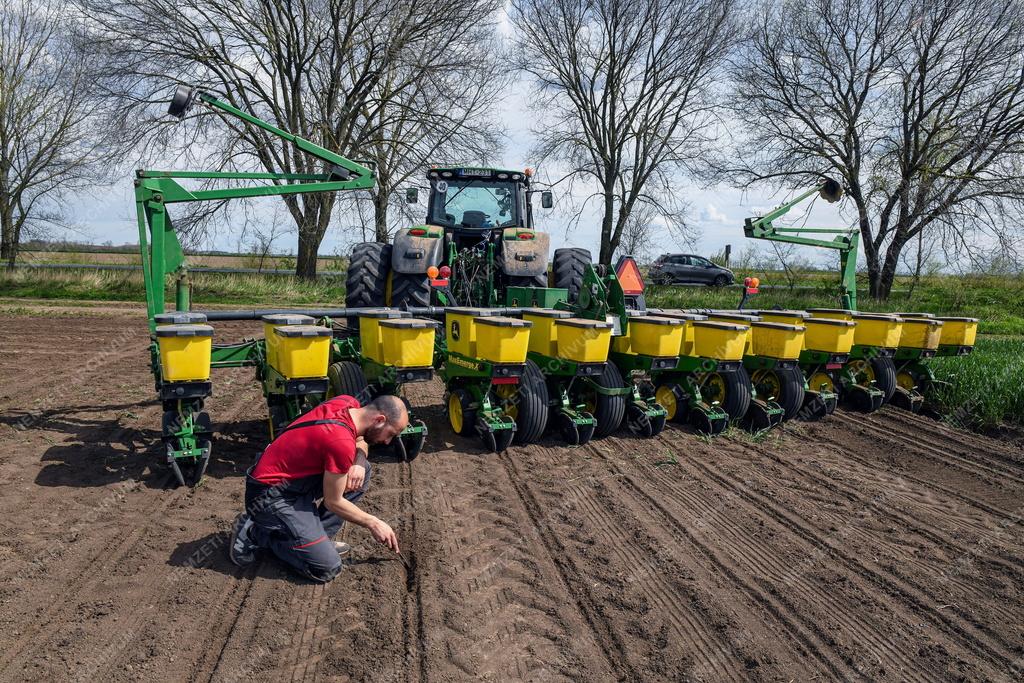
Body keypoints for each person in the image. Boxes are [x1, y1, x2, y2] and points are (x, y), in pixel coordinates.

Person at [229, 394, 408, 582]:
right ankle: (254, 532)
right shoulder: (341, 444)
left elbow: (360, 437)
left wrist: (360, 460)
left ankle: (316, 539)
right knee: (327, 568)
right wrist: (374, 522)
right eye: (390, 434)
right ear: (379, 420)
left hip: (292, 481)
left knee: (363, 472)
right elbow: (333, 502)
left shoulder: (347, 403)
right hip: (269, 496)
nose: (388, 442)